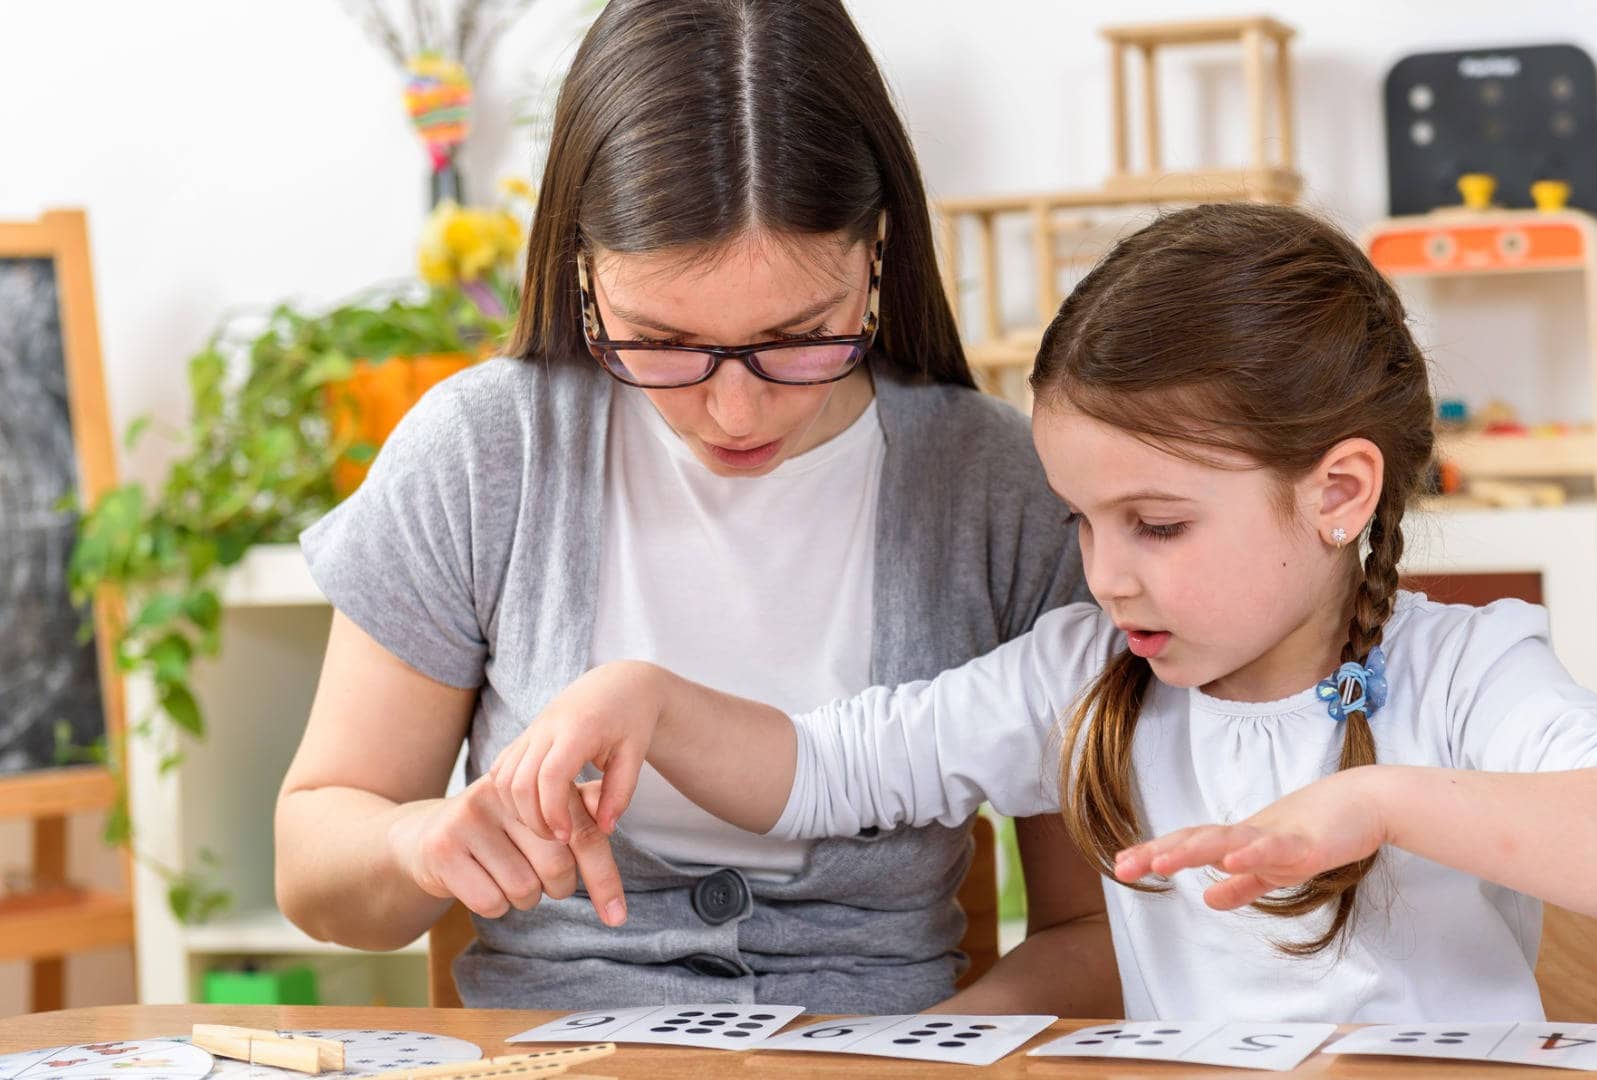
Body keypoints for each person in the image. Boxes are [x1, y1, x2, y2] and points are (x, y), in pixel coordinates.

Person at [485, 202, 1597, 1021]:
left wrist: (1380, 802)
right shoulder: (1087, 673)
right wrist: (641, 696)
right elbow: (831, 767)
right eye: (1082, 521)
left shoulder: (1464, 672)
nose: (1106, 574)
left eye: (1159, 524)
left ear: (1338, 492)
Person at [275, 0, 1120, 1015]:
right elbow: (316, 865)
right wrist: (415, 842)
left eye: (800, 335)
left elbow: (1099, 932)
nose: (734, 409)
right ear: (583, 273)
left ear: (877, 255)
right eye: (662, 342)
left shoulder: (1000, 487)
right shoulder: (484, 455)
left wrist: (927, 1055)